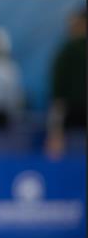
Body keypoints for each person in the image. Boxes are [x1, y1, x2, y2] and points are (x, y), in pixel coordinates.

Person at [45, 8, 86, 157]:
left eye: (74, 24)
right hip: (71, 107)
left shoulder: (68, 50)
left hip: (69, 107)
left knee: (56, 143)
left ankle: (56, 167)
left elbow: (58, 85)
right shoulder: (67, 49)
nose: (70, 28)